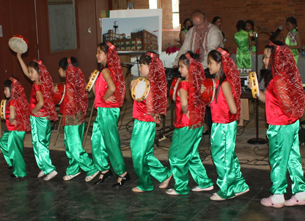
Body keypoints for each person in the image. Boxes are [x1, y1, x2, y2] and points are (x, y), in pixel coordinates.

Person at [249, 40, 305, 208]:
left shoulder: (277, 80)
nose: (264, 61)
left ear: (277, 59)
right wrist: (256, 91)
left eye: (267, 57)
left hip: (280, 126)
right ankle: (300, 192)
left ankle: (277, 195)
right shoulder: (287, 77)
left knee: (278, 159)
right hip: (291, 124)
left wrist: (282, 118)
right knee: (292, 158)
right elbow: (272, 100)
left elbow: (281, 103)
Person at [167, 52, 214, 195]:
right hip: (196, 124)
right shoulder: (198, 84)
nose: (179, 70)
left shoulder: (183, 83)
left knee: (176, 156)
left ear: (190, 68)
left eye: (182, 67)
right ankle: (204, 183)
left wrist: (186, 111)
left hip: (185, 125)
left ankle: (180, 187)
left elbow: (185, 105)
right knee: (192, 156)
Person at [205, 47, 249, 201]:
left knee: (221, 157)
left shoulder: (224, 84)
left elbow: (233, 108)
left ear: (220, 64)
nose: (208, 66)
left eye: (211, 63)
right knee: (229, 156)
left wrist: (222, 111)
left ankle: (227, 189)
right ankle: (239, 185)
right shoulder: (217, 82)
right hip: (220, 124)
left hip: (224, 125)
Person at [130, 52, 172, 193]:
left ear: (151, 67)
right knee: (146, 154)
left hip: (144, 123)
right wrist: (133, 86)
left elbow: (153, 104)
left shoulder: (151, 84)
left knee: (138, 154)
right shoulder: (145, 82)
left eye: (142, 65)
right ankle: (164, 175)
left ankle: (145, 184)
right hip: (142, 122)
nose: (140, 68)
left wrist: (155, 115)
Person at [91, 42, 130, 188]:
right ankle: (104, 169)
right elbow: (98, 93)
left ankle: (123, 173)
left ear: (108, 54)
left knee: (111, 142)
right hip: (102, 110)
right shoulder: (104, 71)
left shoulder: (107, 71)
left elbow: (112, 88)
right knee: (97, 139)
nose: (97, 55)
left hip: (107, 111)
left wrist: (106, 97)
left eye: (99, 52)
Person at [55, 57, 99, 182]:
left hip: (71, 119)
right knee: (70, 145)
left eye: (59, 68)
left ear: (65, 70)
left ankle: (91, 168)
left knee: (74, 147)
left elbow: (72, 103)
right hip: (77, 118)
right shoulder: (76, 82)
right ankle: (73, 169)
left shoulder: (69, 85)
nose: (58, 70)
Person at [16, 53, 58, 181]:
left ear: (39, 73)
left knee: (39, 144)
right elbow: (25, 71)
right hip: (41, 118)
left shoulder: (38, 86)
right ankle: (44, 167)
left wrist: (32, 111)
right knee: (39, 142)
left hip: (39, 118)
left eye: (31, 72)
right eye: (29, 71)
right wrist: (19, 57)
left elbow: (40, 102)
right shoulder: (39, 83)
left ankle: (50, 169)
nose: (29, 74)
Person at [0, 77, 30, 179]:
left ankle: (19, 172)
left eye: (5, 89)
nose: (4, 91)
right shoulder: (17, 100)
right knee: (3, 142)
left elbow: (12, 115)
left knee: (16, 151)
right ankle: (12, 162)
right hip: (14, 130)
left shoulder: (12, 102)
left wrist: (12, 119)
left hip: (15, 130)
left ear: (12, 90)